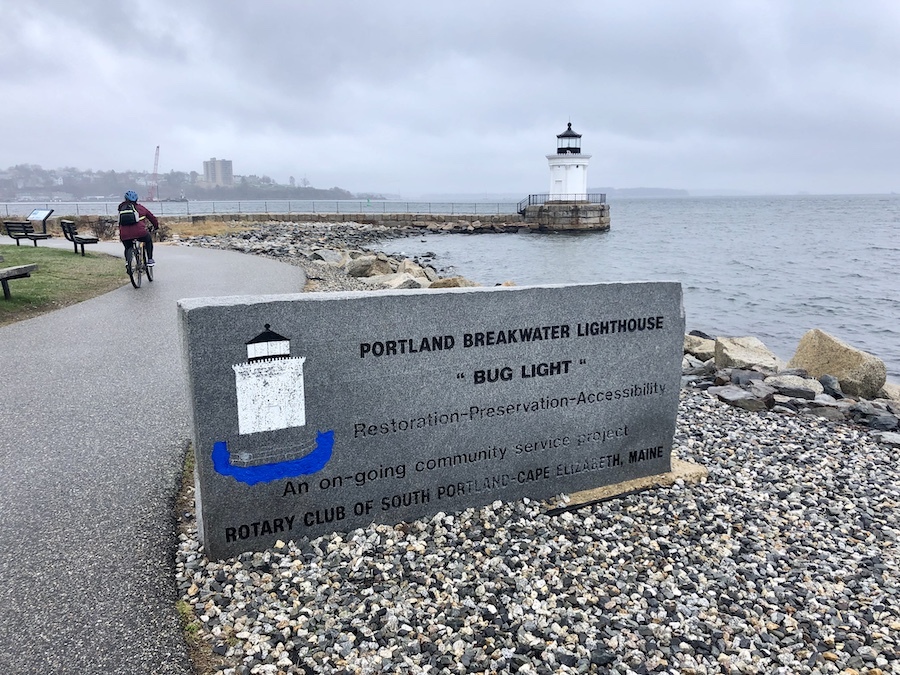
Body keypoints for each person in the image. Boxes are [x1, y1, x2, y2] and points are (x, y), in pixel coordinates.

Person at [118, 190, 159, 269]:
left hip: (124, 234)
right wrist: (156, 227)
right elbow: (152, 218)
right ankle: (150, 259)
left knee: (127, 247)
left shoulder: (121, 208)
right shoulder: (141, 208)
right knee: (148, 240)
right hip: (140, 233)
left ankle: (128, 262)